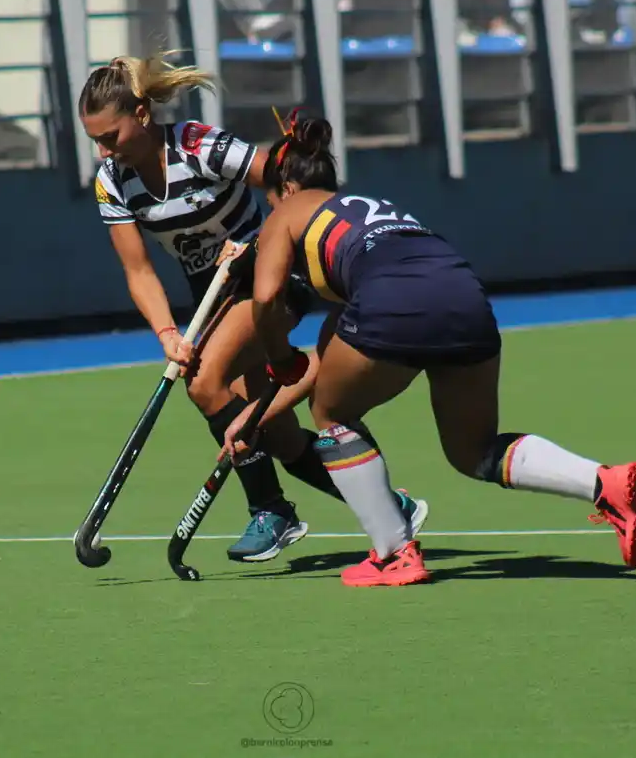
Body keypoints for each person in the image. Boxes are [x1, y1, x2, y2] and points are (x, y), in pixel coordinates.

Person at [221, 112, 636, 587]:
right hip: (462, 291)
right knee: (474, 451)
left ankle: (393, 554)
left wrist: (278, 356)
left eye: (267, 198)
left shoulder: (288, 212)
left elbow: (265, 299)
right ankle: (604, 483)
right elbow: (332, 355)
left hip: (394, 301)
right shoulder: (364, 213)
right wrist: (256, 418)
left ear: (284, 187)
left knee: (332, 417)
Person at [77, 56, 428, 562]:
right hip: (213, 298)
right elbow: (139, 271)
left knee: (203, 382)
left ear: (142, 114)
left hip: (272, 274)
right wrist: (165, 334)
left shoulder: (196, 145)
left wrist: (262, 241)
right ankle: (391, 509)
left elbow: (292, 183)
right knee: (274, 433)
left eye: (111, 135)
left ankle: (270, 509)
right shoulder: (112, 181)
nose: (103, 150)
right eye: (96, 140)